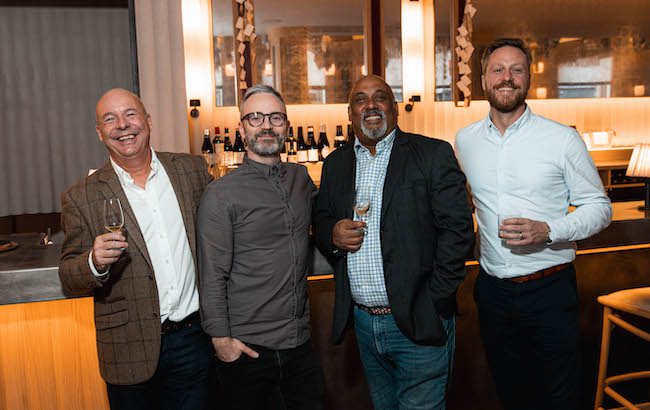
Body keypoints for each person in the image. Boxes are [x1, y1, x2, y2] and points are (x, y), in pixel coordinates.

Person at [455, 38, 612, 410]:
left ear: (528, 78)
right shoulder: (466, 141)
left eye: (516, 69)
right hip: (492, 292)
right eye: (498, 69)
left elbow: (599, 207)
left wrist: (549, 230)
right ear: (483, 79)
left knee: (558, 397)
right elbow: (468, 202)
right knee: (510, 394)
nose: (506, 77)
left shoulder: (561, 139)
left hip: (549, 290)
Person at [313, 75, 474, 409]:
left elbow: (458, 231)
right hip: (364, 324)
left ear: (395, 108)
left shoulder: (432, 154)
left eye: (380, 97)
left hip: (419, 321)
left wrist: (434, 299)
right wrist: (331, 233)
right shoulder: (335, 164)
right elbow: (321, 218)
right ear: (350, 112)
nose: (370, 105)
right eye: (360, 99)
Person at [59, 88, 214, 410]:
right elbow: (69, 276)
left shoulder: (191, 171)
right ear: (99, 133)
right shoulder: (80, 196)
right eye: (110, 119)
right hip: (127, 348)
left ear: (148, 121)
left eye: (130, 114)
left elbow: (224, 228)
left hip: (194, 338)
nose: (122, 125)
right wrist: (93, 262)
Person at [197, 84, 324, 410]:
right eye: (255, 118)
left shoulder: (300, 179)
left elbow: (328, 217)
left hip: (300, 342)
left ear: (287, 127)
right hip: (247, 348)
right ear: (242, 128)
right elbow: (212, 274)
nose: (266, 126)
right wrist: (222, 341)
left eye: (275, 118)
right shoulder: (221, 194)